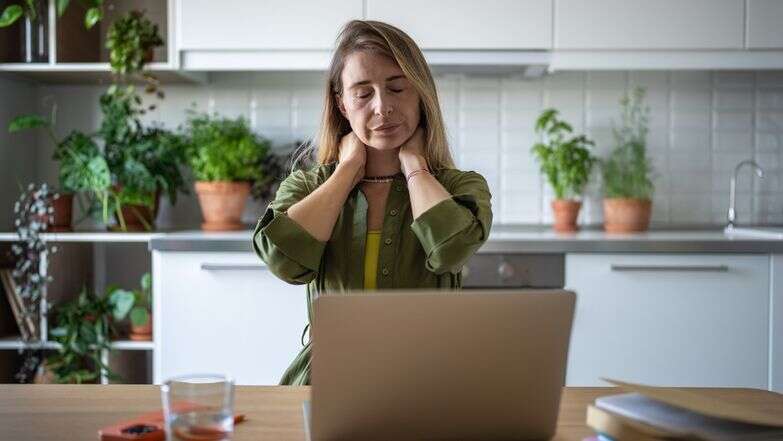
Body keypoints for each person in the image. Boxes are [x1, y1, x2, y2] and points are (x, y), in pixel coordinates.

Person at [252, 19, 493, 386]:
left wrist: (414, 166)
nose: (383, 107)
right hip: (330, 378)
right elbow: (283, 261)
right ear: (342, 104)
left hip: (427, 381)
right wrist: (347, 170)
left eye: (397, 88)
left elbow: (451, 250)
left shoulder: (459, 186)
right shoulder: (307, 185)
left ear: (420, 94)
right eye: (363, 94)